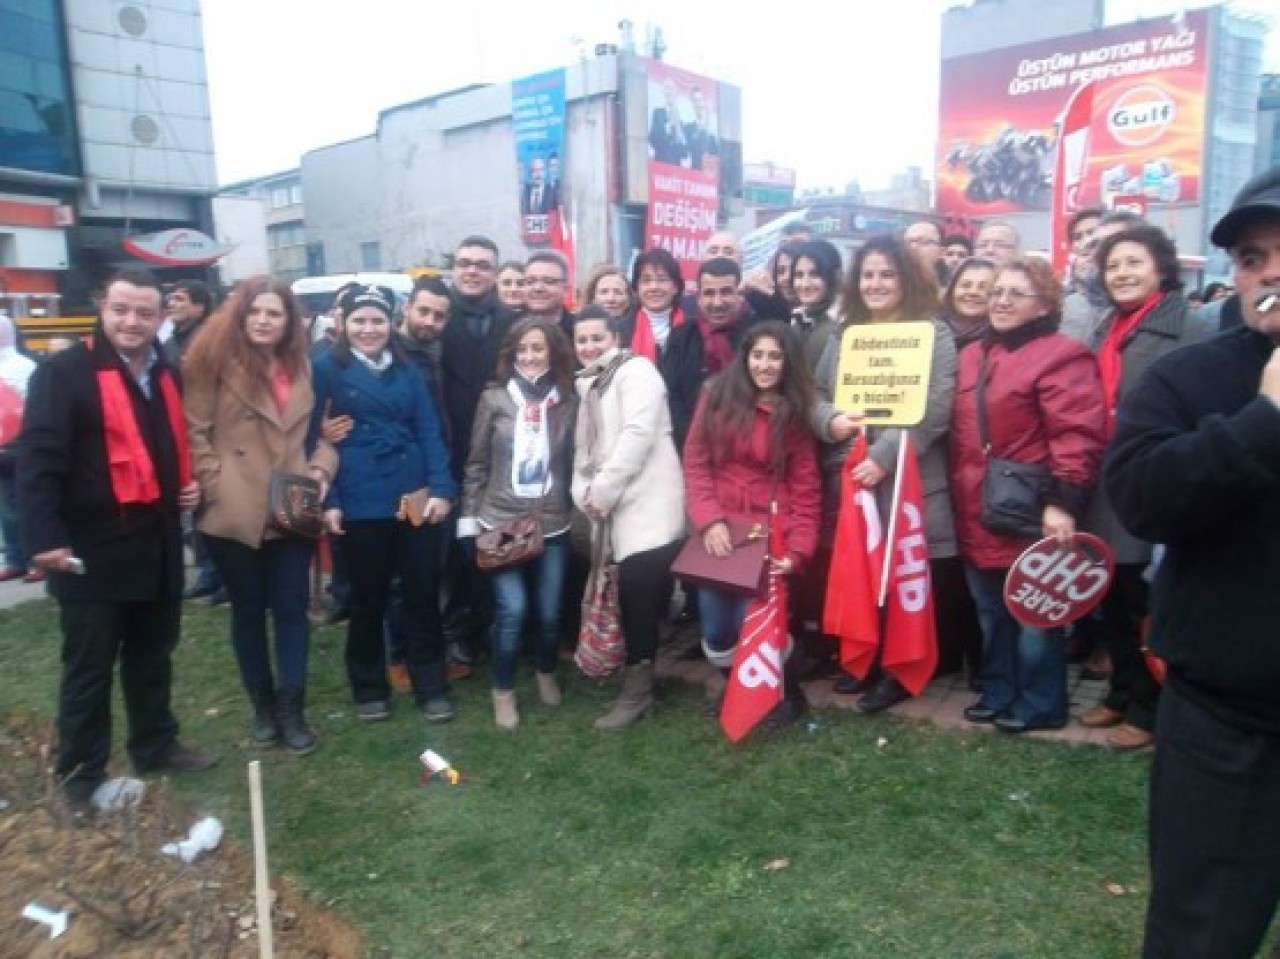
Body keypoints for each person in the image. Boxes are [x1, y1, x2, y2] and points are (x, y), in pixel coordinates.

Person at [1105, 166, 1280, 958]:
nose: (1270, 273)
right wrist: (1263, 419)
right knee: (1199, 935)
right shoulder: (1190, 376)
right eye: (1251, 258)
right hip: (1226, 720)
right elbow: (1141, 499)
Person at [18, 267, 217, 806]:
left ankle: (155, 744)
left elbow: (166, 445)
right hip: (92, 550)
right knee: (90, 668)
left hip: (156, 545)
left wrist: (184, 485)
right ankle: (80, 776)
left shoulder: (166, 372)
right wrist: (44, 538)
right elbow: (37, 461)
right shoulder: (64, 372)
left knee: (153, 655)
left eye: (145, 313)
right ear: (102, 308)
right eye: (121, 310)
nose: (132, 322)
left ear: (160, 317)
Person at [949, 256, 1106, 734]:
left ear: (1043, 305)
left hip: (1029, 507)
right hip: (975, 505)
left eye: (1016, 294)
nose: (1001, 301)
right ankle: (999, 691)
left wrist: (1062, 502)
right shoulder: (972, 354)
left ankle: (1041, 703)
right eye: (997, 291)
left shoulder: (1063, 355)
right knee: (991, 611)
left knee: (1036, 612)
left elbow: (1077, 433)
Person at [183, 277, 337, 754]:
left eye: (274, 313)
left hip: (291, 501)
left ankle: (293, 708)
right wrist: (214, 485)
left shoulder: (304, 365)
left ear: (290, 321)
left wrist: (320, 469)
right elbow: (195, 431)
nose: (264, 321)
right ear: (240, 315)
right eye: (255, 312)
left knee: (291, 609)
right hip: (235, 504)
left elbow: (325, 431)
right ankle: (263, 708)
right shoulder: (211, 361)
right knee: (248, 610)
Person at [1076, 224, 1215, 751]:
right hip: (1105, 480)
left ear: (1161, 268)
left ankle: (1150, 708)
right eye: (1113, 266)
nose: (1122, 274)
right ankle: (1122, 691)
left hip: (1154, 477)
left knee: (1141, 602)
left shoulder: (1189, 328)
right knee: (1108, 593)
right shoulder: (1106, 326)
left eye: (1134, 262)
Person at [812, 234, 958, 713]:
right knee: (860, 569)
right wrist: (830, 421)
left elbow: (935, 406)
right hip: (852, 473)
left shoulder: (933, 333)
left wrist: (884, 456)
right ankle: (865, 659)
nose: (875, 284)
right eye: (868, 275)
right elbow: (816, 394)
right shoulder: (845, 333)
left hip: (906, 478)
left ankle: (899, 669)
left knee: (901, 574)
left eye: (887, 274)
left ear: (906, 279)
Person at [313, 283, 458, 723]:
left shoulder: (406, 369)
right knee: (367, 597)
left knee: (420, 592)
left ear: (390, 323)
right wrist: (331, 500)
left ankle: (430, 684)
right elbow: (314, 441)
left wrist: (441, 488)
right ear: (344, 323)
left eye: (377, 320)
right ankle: (369, 687)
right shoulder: (324, 368)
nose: (368, 329)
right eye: (360, 320)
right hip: (360, 496)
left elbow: (428, 429)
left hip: (412, 493)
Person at [683, 321, 821, 729]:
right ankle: (739, 687)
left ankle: (786, 692)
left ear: (788, 362)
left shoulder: (795, 412)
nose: (765, 364)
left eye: (775, 356)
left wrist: (798, 551)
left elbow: (807, 488)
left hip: (767, 534)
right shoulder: (715, 396)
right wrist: (709, 521)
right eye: (758, 355)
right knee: (717, 629)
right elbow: (696, 464)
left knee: (757, 623)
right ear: (744, 357)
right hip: (719, 531)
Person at [570, 307, 685, 729]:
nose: (589, 347)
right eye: (581, 340)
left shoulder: (637, 371)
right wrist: (583, 491)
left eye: (597, 338)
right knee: (632, 596)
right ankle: (639, 676)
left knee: (638, 597)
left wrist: (601, 490)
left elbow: (637, 434)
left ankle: (638, 692)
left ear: (615, 338)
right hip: (615, 506)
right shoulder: (589, 384)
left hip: (650, 503)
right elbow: (584, 451)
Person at [460, 317, 578, 729]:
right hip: (501, 521)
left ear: (552, 353)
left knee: (549, 612)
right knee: (513, 609)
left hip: (552, 522)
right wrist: (468, 521)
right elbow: (476, 463)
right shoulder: (494, 398)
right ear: (510, 355)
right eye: (522, 350)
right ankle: (503, 689)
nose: (529, 357)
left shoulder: (568, 400)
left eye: (538, 348)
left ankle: (545, 670)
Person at [440, 236, 515, 664]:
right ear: (454, 268)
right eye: (465, 263)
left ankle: (492, 624)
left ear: (495, 273)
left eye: (482, 265)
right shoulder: (435, 315)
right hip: (447, 449)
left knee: (494, 538)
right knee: (452, 547)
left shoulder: (512, 321)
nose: (472, 271)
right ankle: (455, 629)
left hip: (498, 452)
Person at [164, 279, 223, 602]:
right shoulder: (170, 340)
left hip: (209, 432)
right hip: (180, 429)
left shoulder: (210, 340)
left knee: (213, 503)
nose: (172, 304)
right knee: (195, 505)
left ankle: (221, 574)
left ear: (199, 307)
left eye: (179, 299)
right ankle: (207, 572)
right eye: (171, 298)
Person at [664, 256, 757, 453]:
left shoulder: (758, 334)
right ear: (698, 297)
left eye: (726, 292)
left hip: (749, 447)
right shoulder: (682, 337)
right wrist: (695, 442)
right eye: (709, 293)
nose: (717, 302)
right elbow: (671, 397)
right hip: (692, 445)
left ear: (739, 294)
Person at [0, 314, 36, 582]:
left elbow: (30, 408)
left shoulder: (24, 366)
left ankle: (35, 559)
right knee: (6, 505)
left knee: (26, 503)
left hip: (20, 444)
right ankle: (15, 559)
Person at [621, 248, 686, 365]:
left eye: (662, 279)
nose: (654, 287)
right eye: (646, 280)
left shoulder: (692, 329)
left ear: (675, 287)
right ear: (637, 288)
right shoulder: (621, 331)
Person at [786, 239, 841, 372]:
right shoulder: (798, 320)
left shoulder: (844, 324)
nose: (805, 284)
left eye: (815, 274)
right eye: (799, 275)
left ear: (833, 276)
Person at [940, 257, 998, 353]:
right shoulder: (929, 329)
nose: (973, 292)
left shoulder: (1001, 338)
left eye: (984, 287)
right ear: (952, 289)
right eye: (965, 285)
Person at [522, 250, 575, 335]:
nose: (538, 288)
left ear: (566, 289)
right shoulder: (507, 327)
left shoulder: (580, 329)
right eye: (530, 281)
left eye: (548, 281)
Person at [903, 219, 946, 287]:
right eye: (908, 242)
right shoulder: (893, 285)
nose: (913, 247)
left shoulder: (952, 287)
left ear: (941, 252)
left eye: (922, 241)